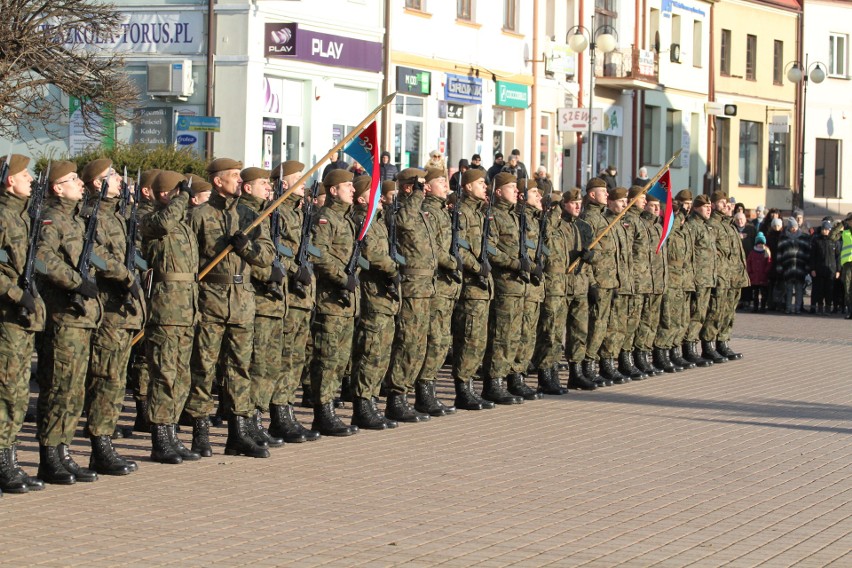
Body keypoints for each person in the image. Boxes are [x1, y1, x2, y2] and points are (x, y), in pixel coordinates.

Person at [186, 157, 274, 458]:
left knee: (240, 368)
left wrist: (246, 247)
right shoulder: (199, 215)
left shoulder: (250, 215)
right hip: (209, 297)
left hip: (242, 298)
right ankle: (200, 432)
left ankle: (238, 433)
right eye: (233, 176)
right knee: (203, 367)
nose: (239, 180)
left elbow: (266, 257)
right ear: (217, 181)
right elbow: (188, 259)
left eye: (240, 175)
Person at [36, 160, 101, 485]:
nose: (79, 183)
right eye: (72, 179)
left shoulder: (76, 220)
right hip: (63, 314)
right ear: (57, 188)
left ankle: (63, 452)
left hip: (82, 317)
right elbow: (42, 259)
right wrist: (74, 283)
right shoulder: (52, 219)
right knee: (59, 387)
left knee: (75, 390)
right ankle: (50, 456)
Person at [80, 158, 145, 476]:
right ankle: (99, 445)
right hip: (106, 309)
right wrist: (124, 275)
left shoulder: (118, 216)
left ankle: (105, 441)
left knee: (116, 379)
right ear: (96, 183)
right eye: (112, 175)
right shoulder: (91, 215)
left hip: (122, 309)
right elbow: (93, 254)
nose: (119, 179)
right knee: (105, 378)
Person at [139, 170, 203, 465]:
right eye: (179, 191)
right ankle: (160, 437)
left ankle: (173, 432)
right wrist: (181, 198)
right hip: (164, 310)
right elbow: (163, 223)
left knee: (181, 375)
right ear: (166, 194)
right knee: (163, 375)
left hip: (186, 309)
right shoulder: (152, 221)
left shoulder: (184, 225)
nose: (185, 197)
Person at [0, 154, 47, 494]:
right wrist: (18, 295)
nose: (29, 178)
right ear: (8, 181)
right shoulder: (3, 217)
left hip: (22, 318)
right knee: (6, 391)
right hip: (7, 316)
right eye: (23, 173)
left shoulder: (22, 216)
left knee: (17, 392)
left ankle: (9, 460)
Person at [267, 161, 320, 442]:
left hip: (302, 297)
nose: (303, 182)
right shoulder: (277, 213)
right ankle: (278, 415)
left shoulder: (299, 214)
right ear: (284, 184)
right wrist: (293, 267)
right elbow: (275, 249)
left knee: (296, 358)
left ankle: (287, 409)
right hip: (286, 295)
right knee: (284, 357)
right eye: (297, 178)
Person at [308, 168, 361, 435]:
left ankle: (329, 410)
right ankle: (323, 413)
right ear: (333, 190)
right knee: (327, 359)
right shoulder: (325, 219)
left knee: (339, 360)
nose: (352, 190)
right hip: (330, 301)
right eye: (347, 186)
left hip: (346, 303)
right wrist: (342, 278)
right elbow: (318, 255)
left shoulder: (345, 219)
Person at [238, 166, 287, 448]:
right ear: (248, 188)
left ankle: (258, 418)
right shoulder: (245, 215)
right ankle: (249, 421)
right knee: (256, 365)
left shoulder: (262, 213)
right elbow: (243, 259)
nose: (269, 188)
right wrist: (267, 275)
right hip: (255, 300)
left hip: (272, 302)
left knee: (268, 365)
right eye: (263, 184)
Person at [384, 167, 437, 422]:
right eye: (420, 185)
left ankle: (406, 394)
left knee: (419, 344)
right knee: (407, 342)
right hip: (412, 286)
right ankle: (396, 397)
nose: (425, 189)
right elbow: (403, 222)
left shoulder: (420, 211)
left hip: (426, 287)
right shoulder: (400, 209)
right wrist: (415, 195)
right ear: (408, 187)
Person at [349, 177, 401, 429]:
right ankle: (362, 405)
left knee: (382, 352)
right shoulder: (362, 220)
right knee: (370, 351)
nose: (381, 197)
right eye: (374, 193)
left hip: (385, 296)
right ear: (361, 199)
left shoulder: (379, 221)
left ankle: (371, 401)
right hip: (372, 293)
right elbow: (370, 253)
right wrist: (393, 268)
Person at [480, 172, 529, 404]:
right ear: (498, 192)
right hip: (504, 283)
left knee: (515, 334)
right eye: (511, 187)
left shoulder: (516, 216)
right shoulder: (494, 216)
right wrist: (514, 263)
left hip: (519, 284)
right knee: (502, 335)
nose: (516, 191)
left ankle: (510, 377)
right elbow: (489, 248)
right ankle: (494, 382)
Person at [415, 169, 461, 416]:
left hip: (447, 286)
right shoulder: (430, 211)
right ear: (428, 188)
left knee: (442, 340)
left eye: (445, 181)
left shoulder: (443, 210)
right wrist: (454, 263)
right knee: (434, 340)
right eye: (440, 181)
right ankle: (424, 392)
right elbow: (434, 248)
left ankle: (429, 389)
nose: (445, 185)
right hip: (438, 285)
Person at [451, 168, 496, 410]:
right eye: (480, 183)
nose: (485, 187)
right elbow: (459, 248)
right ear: (467, 186)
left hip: (483, 288)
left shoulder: (480, 213)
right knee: (468, 339)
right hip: (470, 286)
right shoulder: (463, 213)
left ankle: (470, 387)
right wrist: (478, 268)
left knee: (478, 340)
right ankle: (462, 388)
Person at [776, 217, 810, 314]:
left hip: (800, 267)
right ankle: (788, 308)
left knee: (799, 290)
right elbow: (779, 254)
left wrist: (807, 266)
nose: (794, 229)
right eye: (792, 227)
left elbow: (807, 253)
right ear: (789, 228)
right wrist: (779, 266)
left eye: (795, 227)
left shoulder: (804, 237)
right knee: (789, 290)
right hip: (788, 268)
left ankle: (798, 308)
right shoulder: (783, 238)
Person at [809, 220, 840, 314]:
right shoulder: (816, 240)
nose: (825, 231)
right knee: (820, 290)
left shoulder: (834, 241)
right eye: (824, 229)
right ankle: (820, 307)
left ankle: (828, 307)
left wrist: (838, 270)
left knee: (829, 290)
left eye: (827, 229)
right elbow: (812, 256)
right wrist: (812, 269)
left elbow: (838, 257)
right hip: (819, 269)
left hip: (831, 270)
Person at [828, 213, 852, 318]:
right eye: (850, 220)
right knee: (847, 289)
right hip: (847, 264)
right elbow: (831, 237)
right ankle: (850, 311)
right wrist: (840, 225)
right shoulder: (845, 231)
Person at [747, 232, 772, 312]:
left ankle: (763, 307)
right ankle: (755, 307)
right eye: (758, 243)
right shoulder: (752, 252)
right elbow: (748, 263)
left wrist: (766, 271)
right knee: (755, 294)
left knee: (764, 294)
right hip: (754, 277)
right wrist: (750, 271)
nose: (760, 245)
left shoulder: (766, 252)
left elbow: (769, 262)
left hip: (763, 276)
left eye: (761, 243)